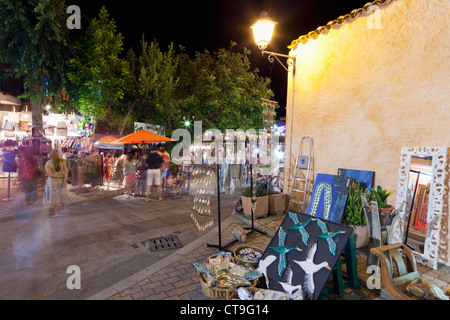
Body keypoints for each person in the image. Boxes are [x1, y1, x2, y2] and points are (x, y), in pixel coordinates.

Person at [43, 150, 68, 218]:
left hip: (52, 182)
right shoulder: (63, 161)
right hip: (61, 181)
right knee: (62, 196)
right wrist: (64, 180)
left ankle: (57, 213)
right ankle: (64, 210)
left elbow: (50, 175)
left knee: (54, 198)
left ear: (50, 155)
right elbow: (66, 172)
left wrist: (61, 177)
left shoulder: (48, 163)